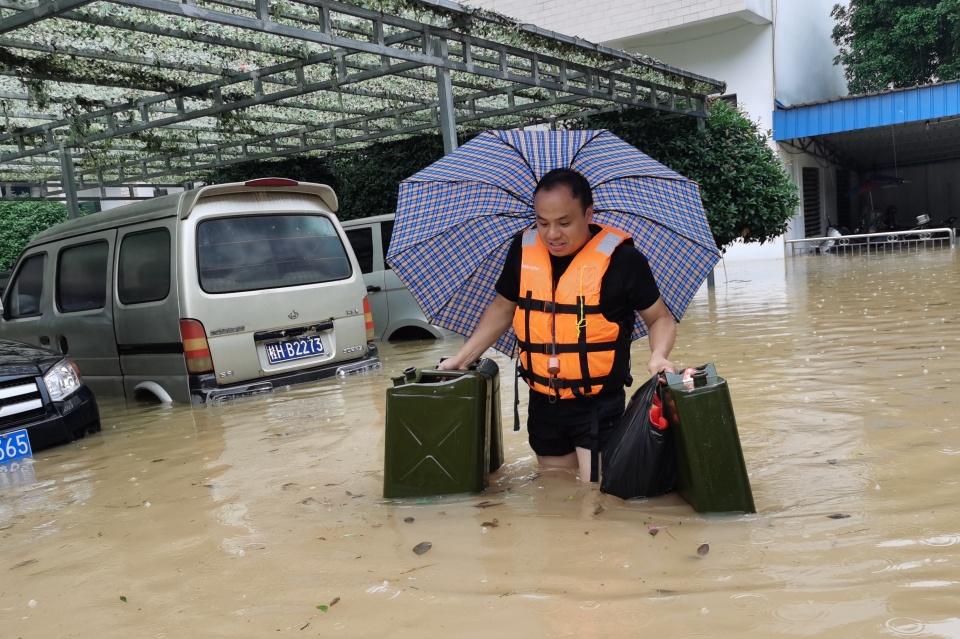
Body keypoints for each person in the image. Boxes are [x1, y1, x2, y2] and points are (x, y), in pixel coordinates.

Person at [439, 168, 678, 483]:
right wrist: (462, 359)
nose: (552, 234)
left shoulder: (624, 260)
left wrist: (659, 354)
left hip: (596, 404)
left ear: (588, 214)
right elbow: (502, 308)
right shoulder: (522, 251)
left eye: (564, 223)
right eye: (542, 222)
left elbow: (659, 317)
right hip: (544, 400)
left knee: (595, 496)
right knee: (554, 494)